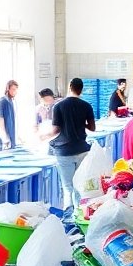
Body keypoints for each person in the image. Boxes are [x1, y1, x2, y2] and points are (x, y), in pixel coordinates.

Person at [48, 78, 97, 206]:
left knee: (68, 188)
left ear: (70, 87)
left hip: (64, 152)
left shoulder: (58, 106)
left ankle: (69, 215)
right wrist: (82, 123)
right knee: (80, 185)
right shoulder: (86, 106)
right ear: (81, 89)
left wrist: (43, 136)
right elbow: (92, 128)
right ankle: (80, 212)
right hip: (82, 150)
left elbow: (56, 130)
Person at [0, 79, 18, 151]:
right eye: (13, 89)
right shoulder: (1, 102)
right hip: (3, 140)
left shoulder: (11, 102)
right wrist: (5, 138)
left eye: (16, 90)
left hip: (11, 138)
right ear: (8, 89)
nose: (15, 92)